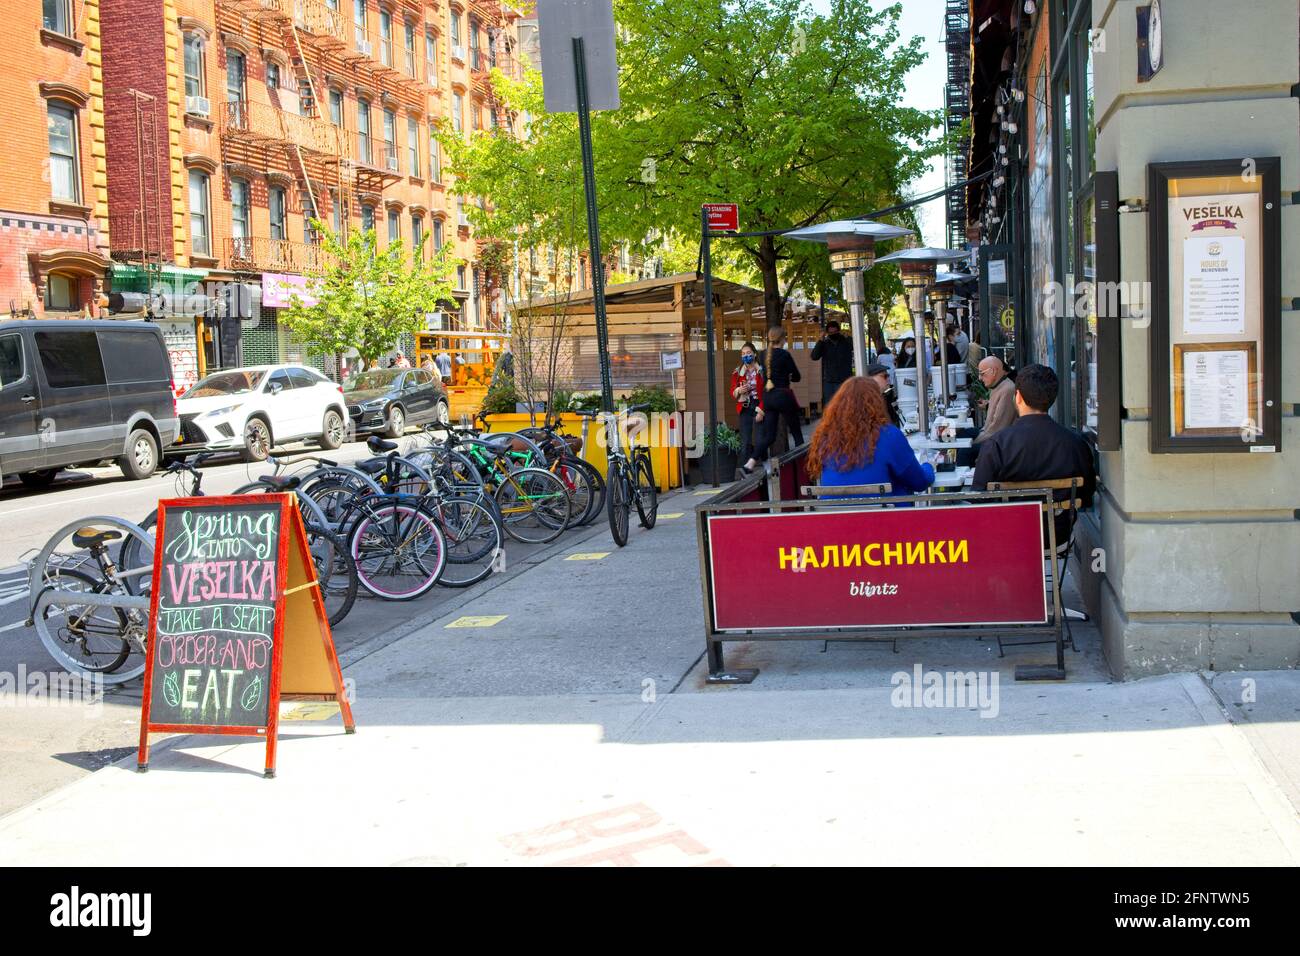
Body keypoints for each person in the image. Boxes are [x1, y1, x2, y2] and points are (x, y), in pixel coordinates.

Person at [972, 364, 1096, 543]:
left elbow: (979, 499)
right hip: (1057, 535)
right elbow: (1086, 496)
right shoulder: (1076, 444)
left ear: (1018, 397)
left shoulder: (997, 445)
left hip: (1008, 535)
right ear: (1052, 398)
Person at [808, 377, 935, 500]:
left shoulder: (824, 438)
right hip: (885, 518)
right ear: (876, 403)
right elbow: (919, 482)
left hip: (833, 518)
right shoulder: (889, 435)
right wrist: (929, 466)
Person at [741, 326, 803, 473]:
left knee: (769, 436)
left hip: (768, 397)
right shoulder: (784, 355)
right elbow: (797, 376)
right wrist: (788, 376)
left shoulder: (763, 355)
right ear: (782, 339)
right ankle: (802, 467)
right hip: (783, 396)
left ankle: (749, 464)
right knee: (796, 432)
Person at [729, 342, 764, 465]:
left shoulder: (761, 371)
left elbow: (766, 392)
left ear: (754, 354)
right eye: (743, 354)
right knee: (745, 441)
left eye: (748, 353)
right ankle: (745, 469)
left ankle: (762, 466)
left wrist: (761, 410)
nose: (746, 356)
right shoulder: (738, 372)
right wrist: (739, 390)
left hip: (759, 405)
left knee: (760, 438)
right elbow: (732, 391)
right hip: (745, 406)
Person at [810, 319, 853, 408]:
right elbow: (814, 356)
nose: (833, 334)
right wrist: (820, 340)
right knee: (830, 407)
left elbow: (856, 347)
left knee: (844, 406)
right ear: (827, 333)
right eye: (830, 332)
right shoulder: (824, 343)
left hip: (844, 380)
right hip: (829, 381)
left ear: (839, 331)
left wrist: (848, 337)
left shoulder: (846, 341)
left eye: (835, 332)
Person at [974, 356, 1016, 445]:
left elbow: (996, 430)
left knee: (964, 451)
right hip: (989, 434)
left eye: (982, 373)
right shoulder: (997, 385)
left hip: (998, 443)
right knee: (962, 433)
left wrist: (971, 444)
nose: (980, 378)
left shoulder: (1007, 389)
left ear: (993, 371)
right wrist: (988, 405)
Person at [866, 362, 902, 428]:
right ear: (870, 379)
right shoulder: (866, 402)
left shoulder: (885, 396)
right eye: (885, 376)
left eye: (888, 376)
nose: (888, 379)